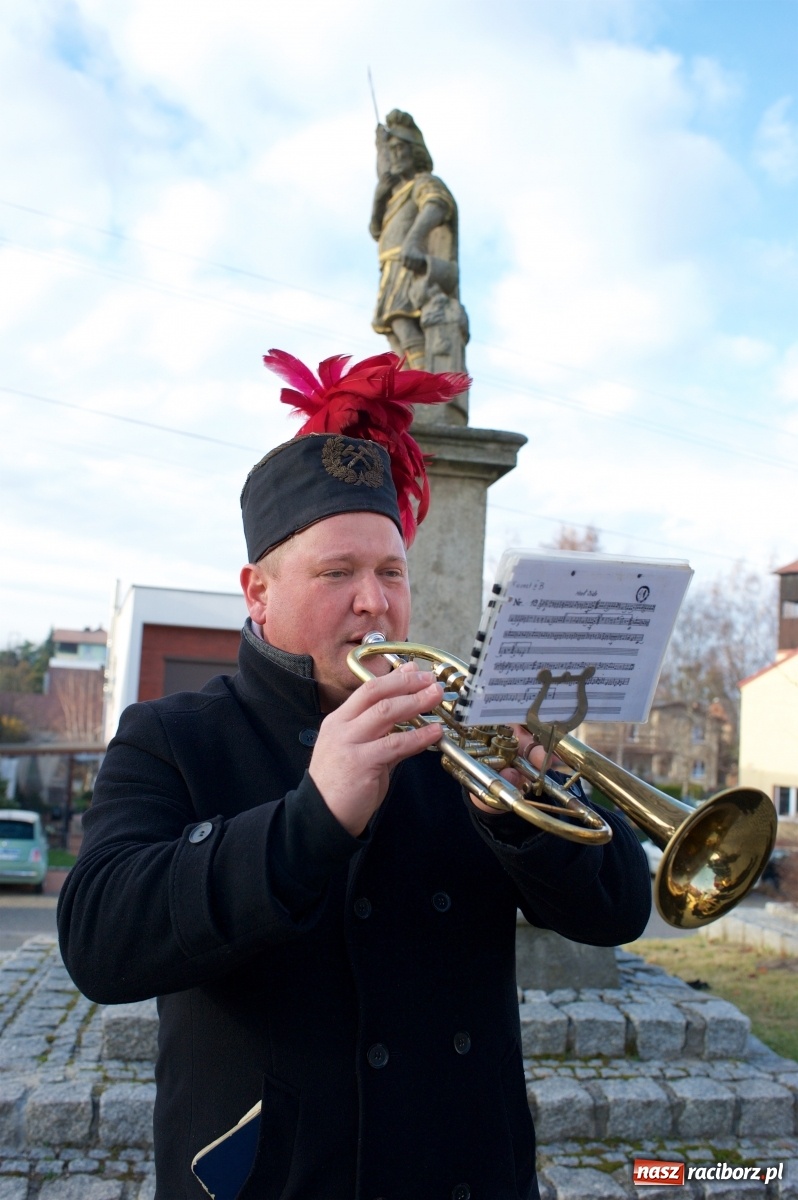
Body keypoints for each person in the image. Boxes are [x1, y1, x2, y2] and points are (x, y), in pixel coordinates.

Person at [57, 350, 651, 1200]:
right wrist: (308, 821)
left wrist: (524, 807)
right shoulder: (172, 735)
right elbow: (97, 943)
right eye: (337, 573)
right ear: (256, 592)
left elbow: (618, 910)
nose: (375, 602)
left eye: (391, 572)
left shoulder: (467, 733)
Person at [370, 110, 469, 418]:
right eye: (391, 150)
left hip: (408, 267)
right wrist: (378, 196)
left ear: (414, 153)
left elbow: (437, 204)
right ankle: (406, 394)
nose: (395, 155)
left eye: (401, 149)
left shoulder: (423, 183)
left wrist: (414, 240)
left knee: (404, 323)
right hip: (389, 270)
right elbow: (376, 230)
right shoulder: (393, 195)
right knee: (394, 334)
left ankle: (423, 390)